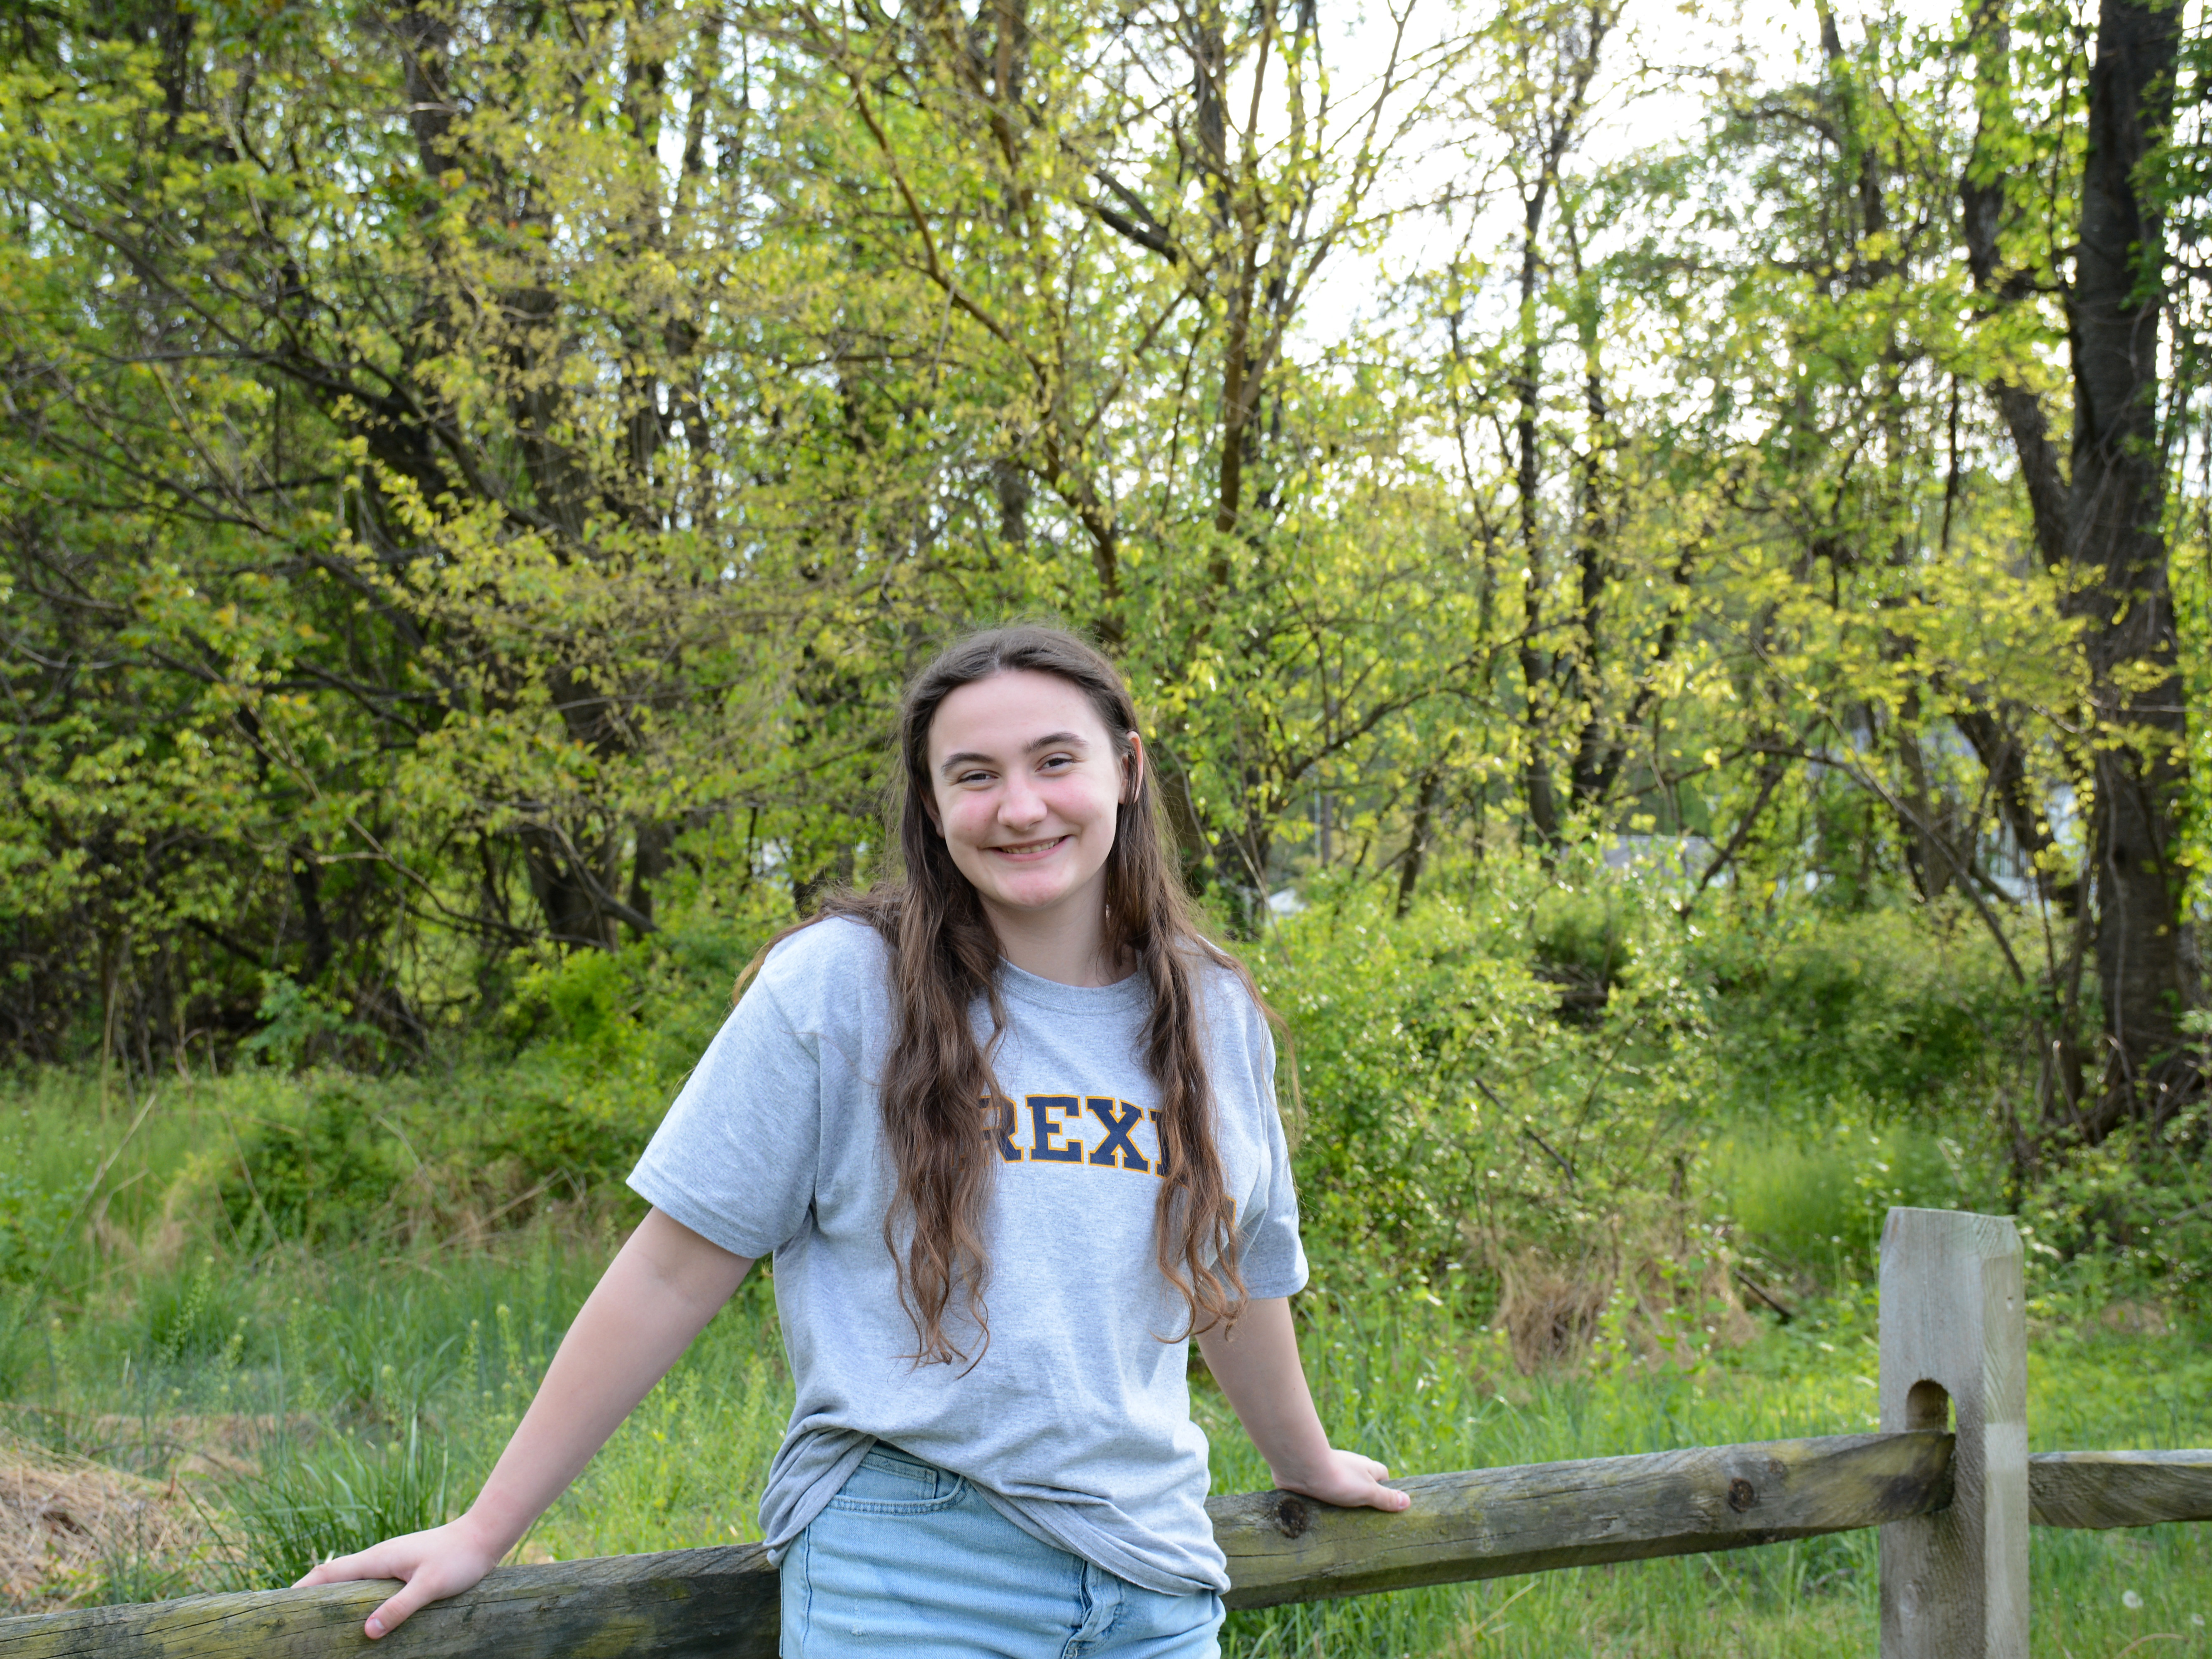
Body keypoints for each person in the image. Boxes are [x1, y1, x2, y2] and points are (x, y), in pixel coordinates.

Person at [297, 624, 1409, 1656]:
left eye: (1054, 761)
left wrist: (1301, 1462)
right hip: (909, 1565)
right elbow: (675, 1270)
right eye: (974, 776)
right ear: (932, 807)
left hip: (1156, 1580)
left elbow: (1236, 1272)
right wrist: (486, 1529)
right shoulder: (840, 988)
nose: (1020, 805)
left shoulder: (1211, 1010)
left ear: (1126, 766)